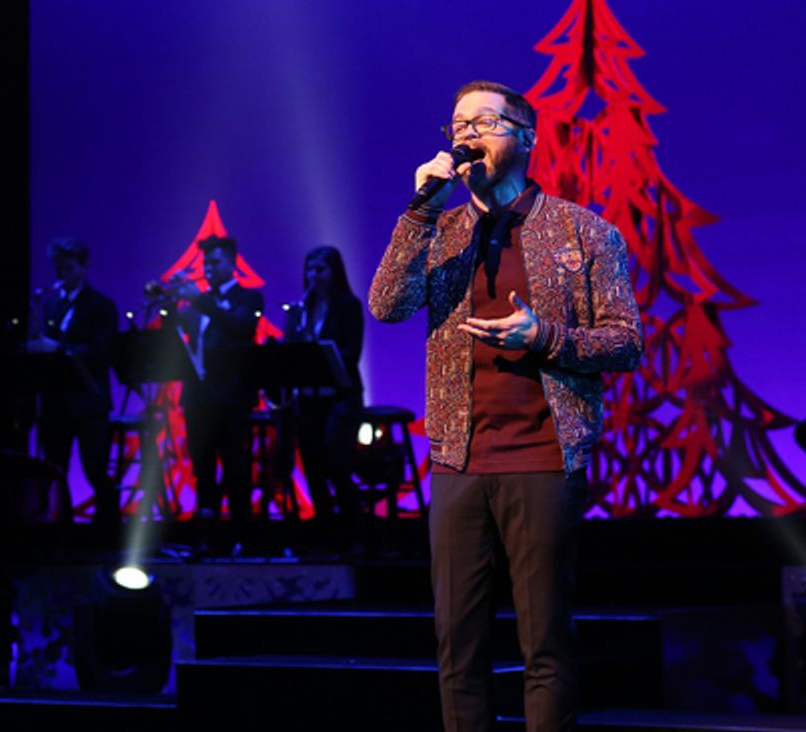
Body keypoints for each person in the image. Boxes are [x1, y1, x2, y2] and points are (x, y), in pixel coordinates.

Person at [368, 80, 642, 731]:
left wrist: (542, 337)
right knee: (458, 650)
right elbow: (386, 305)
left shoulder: (583, 231)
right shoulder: (442, 230)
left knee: (544, 644)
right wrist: (418, 208)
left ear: (526, 135)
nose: (467, 134)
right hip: (458, 463)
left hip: (544, 459)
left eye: (485, 122)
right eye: (458, 124)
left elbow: (626, 343)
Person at [166, 235, 264, 530]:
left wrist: (199, 299)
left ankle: (240, 533)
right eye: (206, 262)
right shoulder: (198, 304)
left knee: (235, 466)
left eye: (215, 261)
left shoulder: (248, 298)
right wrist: (171, 304)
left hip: (232, 396)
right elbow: (174, 335)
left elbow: (238, 326)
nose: (208, 268)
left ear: (232, 264)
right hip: (198, 397)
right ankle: (206, 532)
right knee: (202, 465)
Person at [27, 237, 121, 525]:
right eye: (58, 268)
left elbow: (102, 351)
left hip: (89, 401)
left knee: (94, 467)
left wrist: (57, 348)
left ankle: (106, 528)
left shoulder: (101, 305)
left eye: (68, 267)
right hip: (58, 401)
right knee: (56, 468)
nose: (61, 274)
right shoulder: (53, 304)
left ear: (83, 267)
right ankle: (63, 529)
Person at [282, 246, 364, 550]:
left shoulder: (348, 306)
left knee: (336, 461)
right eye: (310, 270)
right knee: (313, 466)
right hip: (309, 399)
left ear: (334, 272)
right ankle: (325, 533)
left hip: (340, 397)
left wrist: (319, 353)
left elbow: (351, 353)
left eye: (320, 269)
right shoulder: (301, 310)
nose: (313, 276)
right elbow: (288, 350)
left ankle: (353, 533)